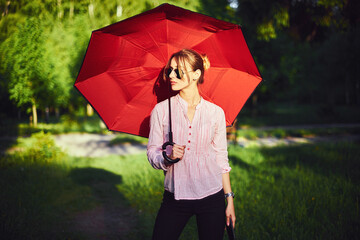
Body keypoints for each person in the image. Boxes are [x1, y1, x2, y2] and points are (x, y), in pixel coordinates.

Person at [147, 49, 235, 240]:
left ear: (196, 74)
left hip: (212, 196)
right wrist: (166, 156)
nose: (171, 75)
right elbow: (152, 153)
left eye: (178, 70)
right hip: (176, 197)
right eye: (170, 70)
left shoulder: (215, 113)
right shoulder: (161, 110)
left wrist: (229, 199)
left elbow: (221, 157)